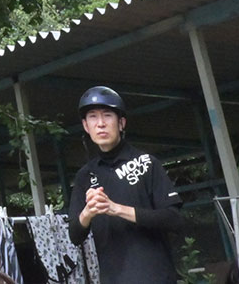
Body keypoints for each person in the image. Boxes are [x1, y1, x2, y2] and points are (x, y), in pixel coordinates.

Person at [66, 86, 185, 284]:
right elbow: (75, 236)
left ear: (121, 122)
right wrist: (88, 212)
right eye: (93, 117)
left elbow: (174, 220)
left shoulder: (146, 163)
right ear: (86, 126)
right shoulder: (84, 176)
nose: (101, 124)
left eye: (107, 115)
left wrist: (117, 209)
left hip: (156, 277)